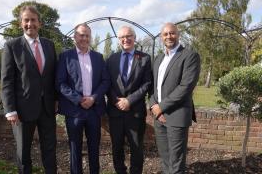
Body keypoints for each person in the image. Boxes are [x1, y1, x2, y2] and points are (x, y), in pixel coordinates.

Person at [1, 5, 57, 174]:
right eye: (26, 20)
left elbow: (53, 75)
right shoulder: (12, 46)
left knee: (50, 148)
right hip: (22, 110)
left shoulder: (49, 45)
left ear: (39, 23)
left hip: (47, 108)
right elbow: (6, 81)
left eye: (33, 20)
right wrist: (10, 110)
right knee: (23, 151)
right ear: (21, 23)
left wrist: (56, 99)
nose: (30, 23)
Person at [56, 23, 110, 174]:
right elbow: (60, 83)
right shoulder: (65, 57)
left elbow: (106, 81)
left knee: (94, 147)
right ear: (75, 37)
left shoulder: (98, 58)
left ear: (90, 37)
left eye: (87, 35)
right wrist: (79, 99)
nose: (84, 38)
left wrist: (93, 98)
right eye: (81, 35)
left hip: (94, 110)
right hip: (74, 111)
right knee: (75, 148)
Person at [149, 22, 200, 174]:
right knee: (165, 159)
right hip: (159, 116)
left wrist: (161, 107)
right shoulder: (158, 59)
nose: (169, 36)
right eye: (165, 34)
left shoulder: (190, 56)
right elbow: (152, 87)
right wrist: (153, 106)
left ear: (178, 35)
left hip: (177, 116)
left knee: (176, 162)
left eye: (172, 33)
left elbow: (185, 87)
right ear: (161, 37)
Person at [106, 26, 152, 174]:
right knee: (116, 147)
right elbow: (107, 83)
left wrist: (129, 100)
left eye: (129, 36)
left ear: (134, 37)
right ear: (119, 40)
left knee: (136, 148)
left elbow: (147, 83)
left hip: (135, 112)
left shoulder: (144, 58)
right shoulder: (111, 58)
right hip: (115, 112)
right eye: (122, 37)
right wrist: (116, 101)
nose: (126, 39)